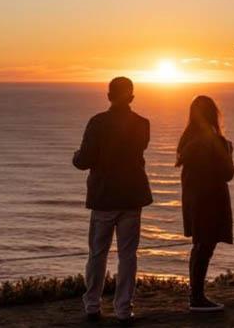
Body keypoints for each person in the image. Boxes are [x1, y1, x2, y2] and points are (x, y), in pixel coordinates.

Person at [73, 77, 152, 325]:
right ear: (131, 96)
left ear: (109, 95)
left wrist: (77, 156)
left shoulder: (98, 123)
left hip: (104, 196)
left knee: (98, 253)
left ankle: (93, 305)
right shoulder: (142, 124)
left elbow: (83, 160)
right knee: (128, 255)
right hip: (131, 197)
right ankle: (123, 309)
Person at [176, 95, 234, 312]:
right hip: (212, 199)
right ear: (213, 114)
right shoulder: (215, 141)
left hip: (193, 199)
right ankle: (197, 297)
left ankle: (195, 294)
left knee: (199, 246)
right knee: (205, 247)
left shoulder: (187, 141)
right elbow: (228, 173)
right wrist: (229, 151)